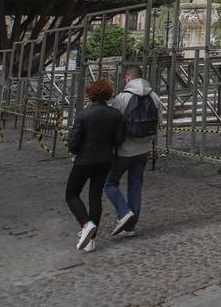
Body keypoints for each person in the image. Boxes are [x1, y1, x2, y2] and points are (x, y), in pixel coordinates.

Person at [65, 77, 124, 252]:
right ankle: (91, 239)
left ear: (91, 94)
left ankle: (85, 224)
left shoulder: (83, 114)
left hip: (85, 160)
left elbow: (74, 141)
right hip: (105, 159)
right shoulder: (116, 115)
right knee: (95, 197)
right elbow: (119, 139)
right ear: (108, 94)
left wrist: (75, 150)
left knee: (71, 194)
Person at [104, 66, 162, 238]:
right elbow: (159, 121)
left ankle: (124, 212)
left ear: (128, 78)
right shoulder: (154, 96)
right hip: (144, 149)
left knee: (109, 183)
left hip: (124, 149)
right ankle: (130, 227)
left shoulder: (122, 98)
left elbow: (114, 123)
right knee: (135, 185)